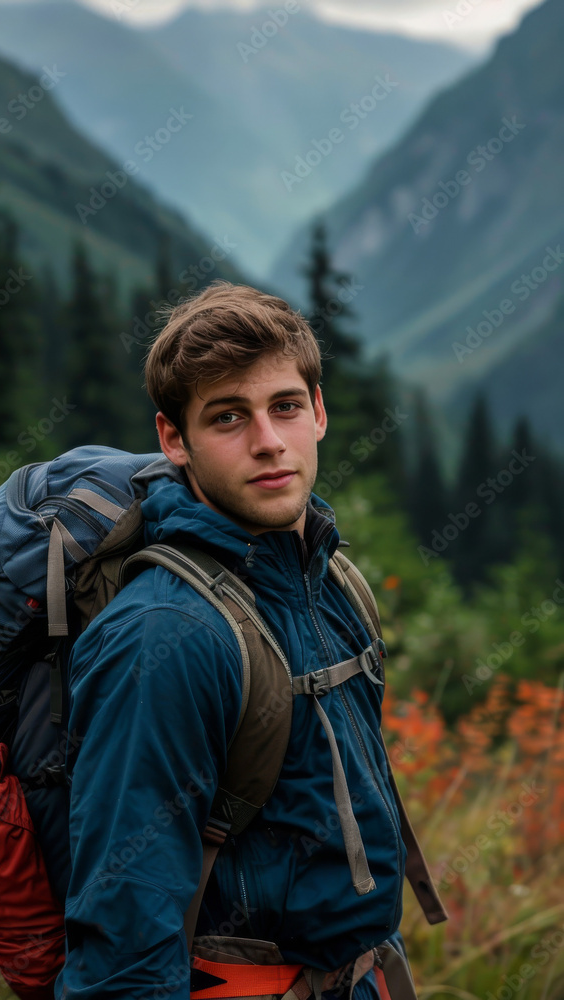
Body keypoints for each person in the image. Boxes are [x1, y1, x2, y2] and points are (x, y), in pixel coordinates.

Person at [55, 281, 416, 1000]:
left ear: (317, 411)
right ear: (173, 439)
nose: (267, 441)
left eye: (284, 406)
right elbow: (121, 947)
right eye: (227, 417)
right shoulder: (165, 635)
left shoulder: (330, 578)